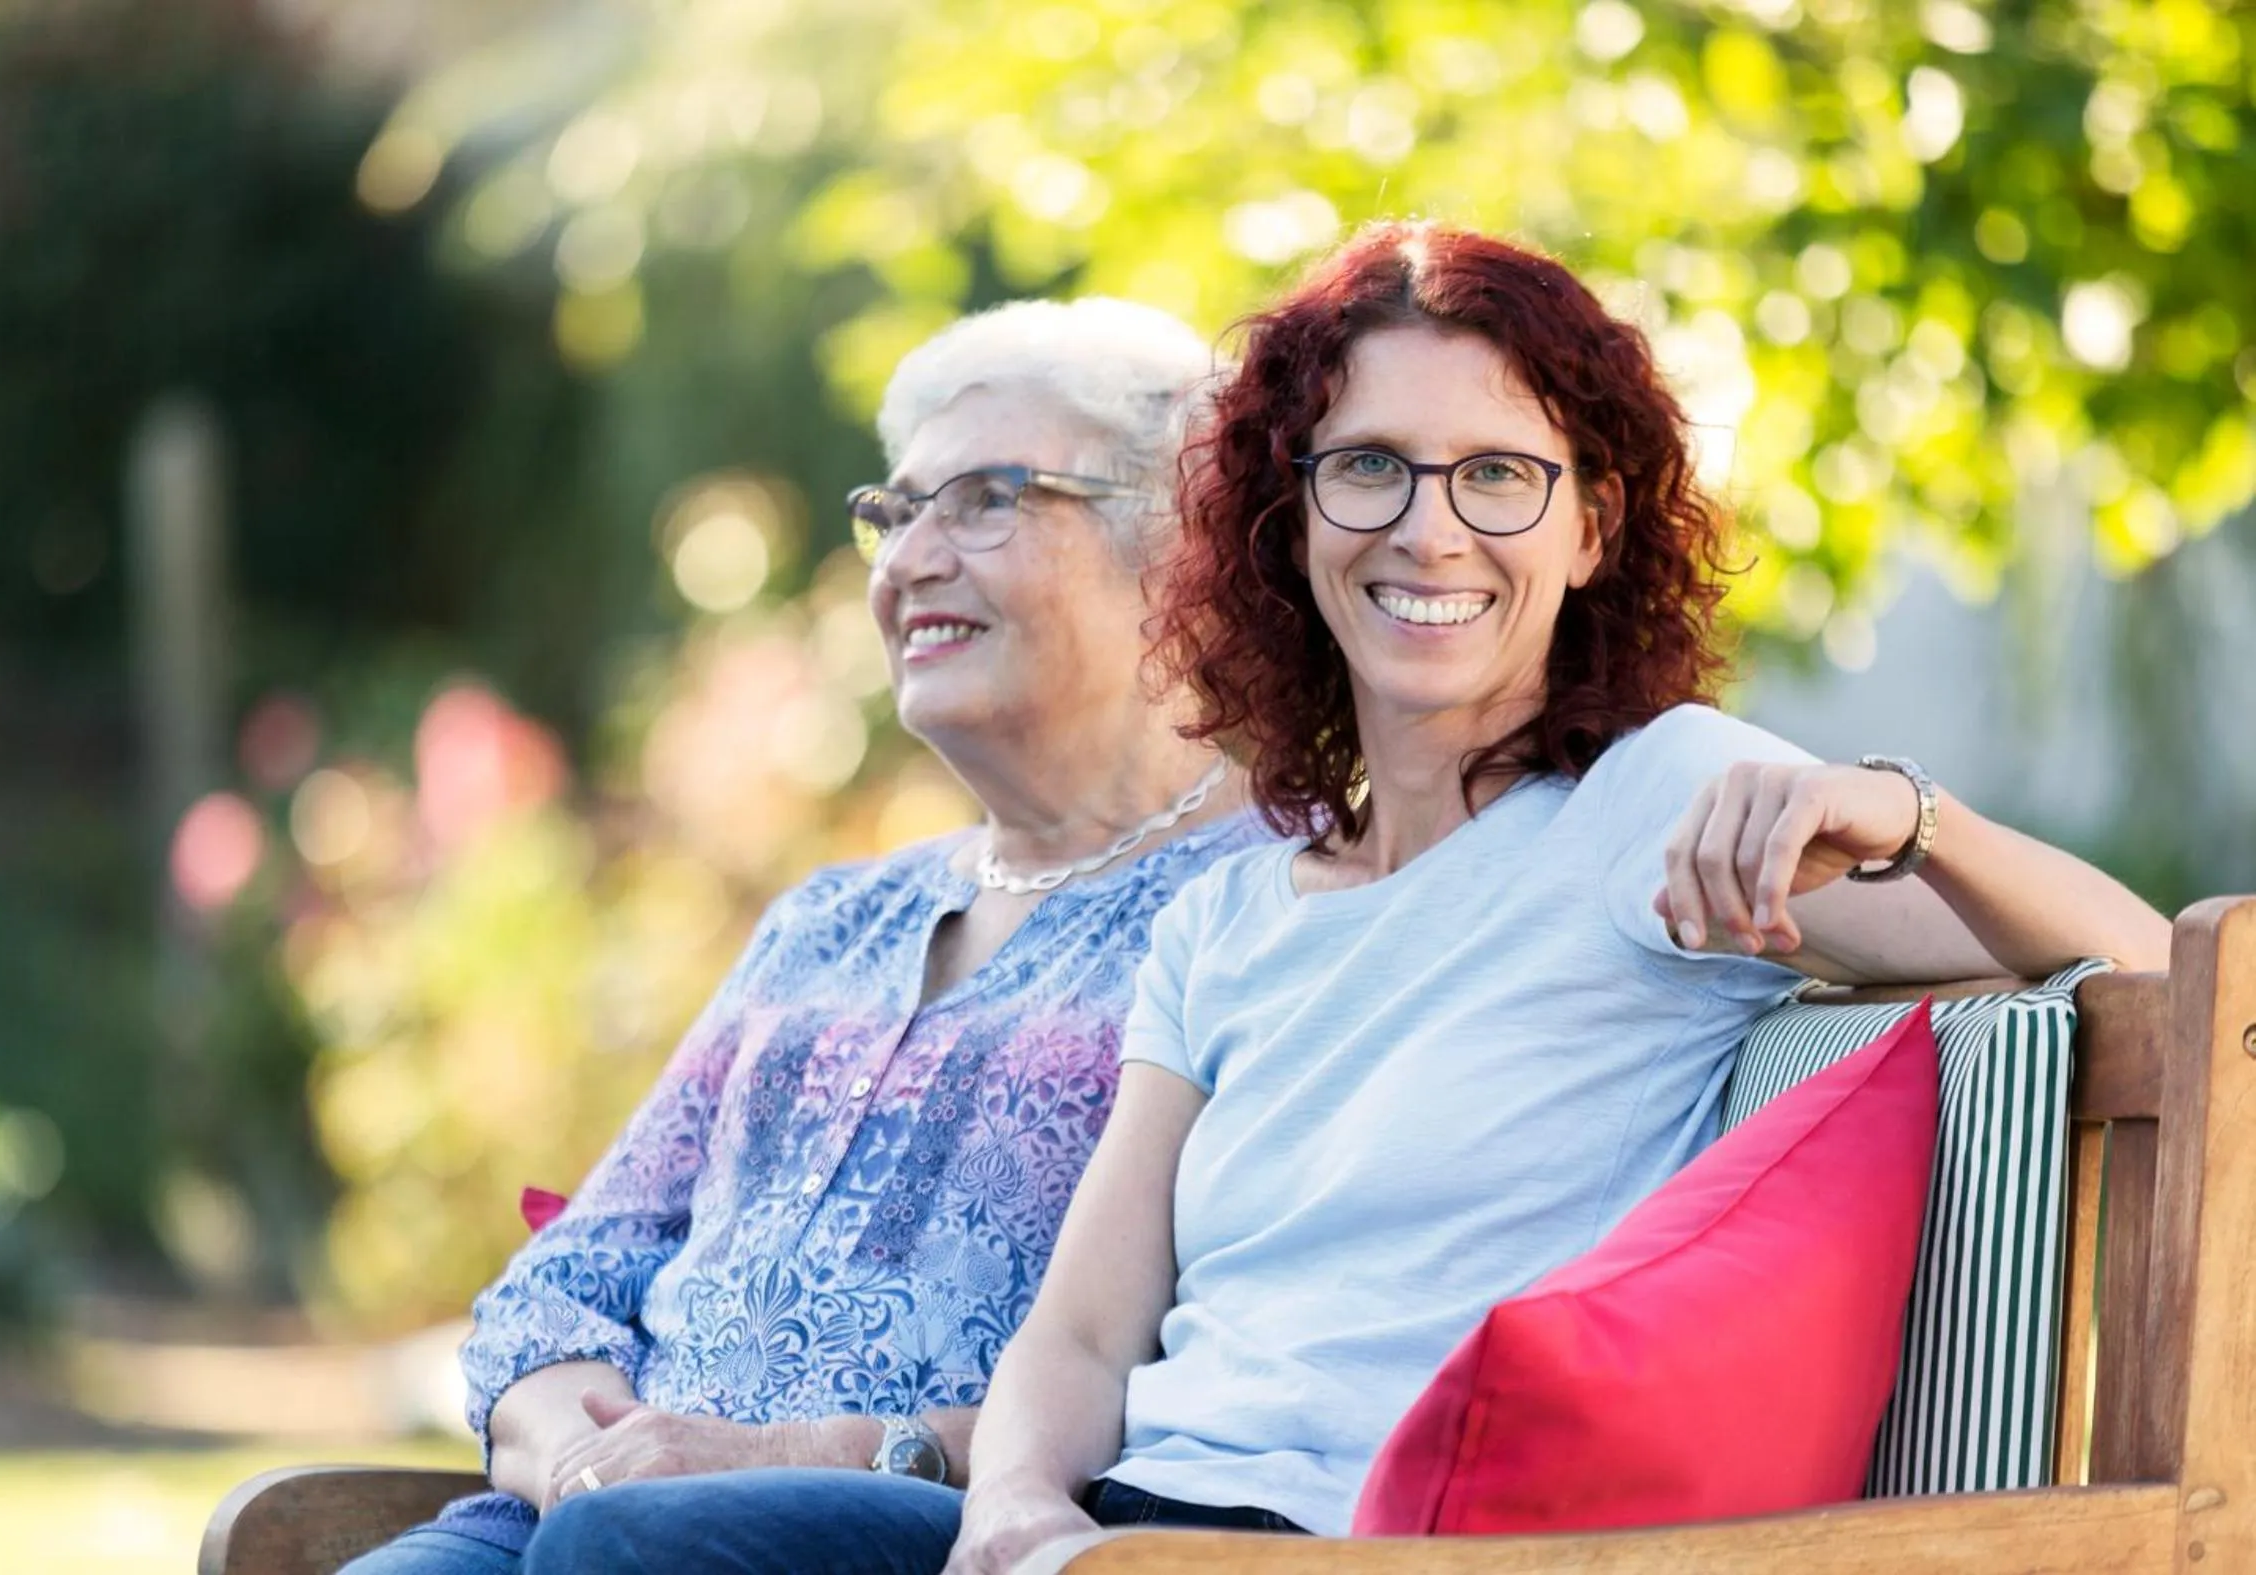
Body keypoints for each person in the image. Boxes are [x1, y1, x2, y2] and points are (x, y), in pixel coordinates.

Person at [915, 224, 2171, 1573]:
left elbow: (2165, 974)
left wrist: (1910, 818)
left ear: (1591, 527)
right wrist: (1015, 1508)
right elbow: (1085, 1332)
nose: (1429, 526)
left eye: (1498, 474)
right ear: (1291, 520)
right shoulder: (1222, 922)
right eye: (1369, 467)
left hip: (1354, 1550)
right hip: (1108, 1530)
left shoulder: (1658, 802)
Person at [337, 295, 1262, 1575]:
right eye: (893, 512)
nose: (907, 559)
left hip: (937, 1535)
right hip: (571, 1519)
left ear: (1179, 550)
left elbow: (1211, 1372)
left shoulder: (1269, 907)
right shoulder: (828, 919)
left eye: (986, 499)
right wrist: (572, 1447)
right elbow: (572, 1273)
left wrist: (805, 1457)